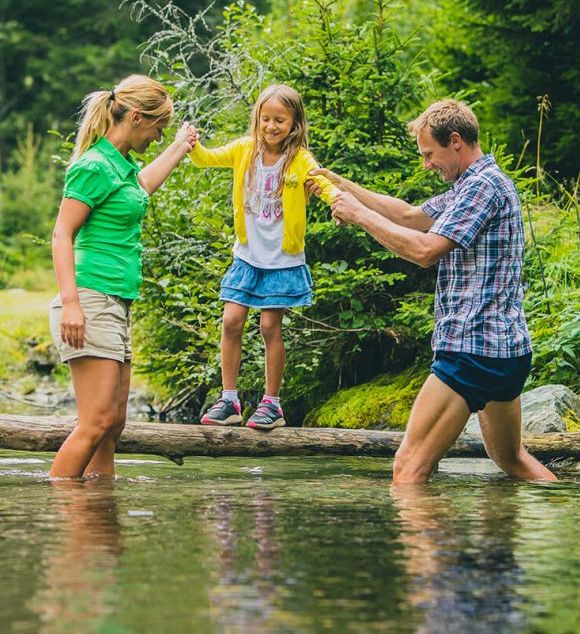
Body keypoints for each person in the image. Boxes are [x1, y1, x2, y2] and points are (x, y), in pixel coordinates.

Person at [307, 99, 556, 483]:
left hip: (472, 349)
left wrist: (359, 216)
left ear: (455, 140)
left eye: (429, 154)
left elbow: (425, 251)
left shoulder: (482, 187)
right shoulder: (469, 186)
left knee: (409, 467)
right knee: (511, 459)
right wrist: (341, 185)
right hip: (505, 352)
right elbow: (408, 214)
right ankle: (555, 525)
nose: (426, 164)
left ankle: (428, 545)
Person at [49, 74, 197, 478]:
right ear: (135, 117)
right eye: (157, 128)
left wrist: (179, 147)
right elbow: (62, 235)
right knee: (94, 423)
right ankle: (61, 513)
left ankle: (99, 518)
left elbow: (142, 186)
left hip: (116, 302)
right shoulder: (94, 165)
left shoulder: (123, 165)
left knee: (112, 427)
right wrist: (72, 304)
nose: (156, 136)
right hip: (91, 299)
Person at [191, 84, 340, 430]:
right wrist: (192, 144)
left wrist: (338, 204)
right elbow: (206, 158)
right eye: (266, 119)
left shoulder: (300, 159)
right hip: (247, 256)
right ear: (257, 119)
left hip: (281, 259)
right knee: (231, 322)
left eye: (280, 120)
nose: (271, 126)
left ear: (294, 124)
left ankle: (272, 405)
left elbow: (325, 184)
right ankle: (230, 400)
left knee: (270, 326)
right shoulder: (245, 149)